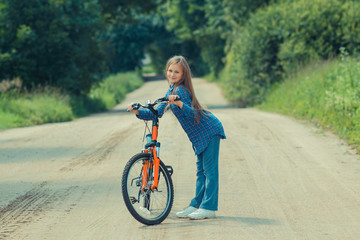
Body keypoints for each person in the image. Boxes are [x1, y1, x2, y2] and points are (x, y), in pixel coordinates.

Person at [127, 56, 226, 220]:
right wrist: (137, 111)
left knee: (210, 172)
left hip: (210, 130)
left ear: (183, 74)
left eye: (177, 72)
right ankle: (196, 205)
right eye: (170, 70)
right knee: (201, 172)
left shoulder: (180, 91)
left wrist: (179, 103)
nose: (172, 74)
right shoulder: (171, 91)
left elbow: (194, 114)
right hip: (200, 136)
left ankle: (208, 208)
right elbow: (157, 112)